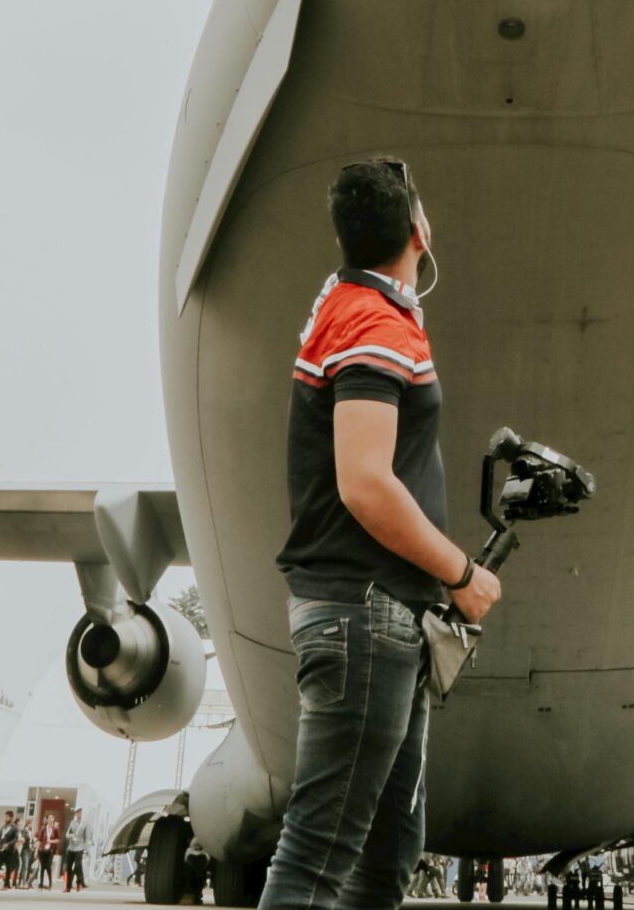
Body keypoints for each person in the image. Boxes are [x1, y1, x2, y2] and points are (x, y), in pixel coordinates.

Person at [258, 157, 499, 910]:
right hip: (367, 613)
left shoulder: (350, 304)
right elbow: (365, 483)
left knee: (388, 853)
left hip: (381, 614)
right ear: (418, 232)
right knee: (319, 857)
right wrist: (462, 573)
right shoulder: (372, 322)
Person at [60, 815, 85, 897]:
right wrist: (72, 836)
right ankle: (68, 887)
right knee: (68, 868)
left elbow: (87, 837)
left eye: (80, 814)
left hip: (80, 848)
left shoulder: (85, 824)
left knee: (78, 866)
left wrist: (86, 848)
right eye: (78, 814)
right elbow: (67, 834)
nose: (79, 816)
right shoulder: (72, 824)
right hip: (71, 848)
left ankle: (78, 883)